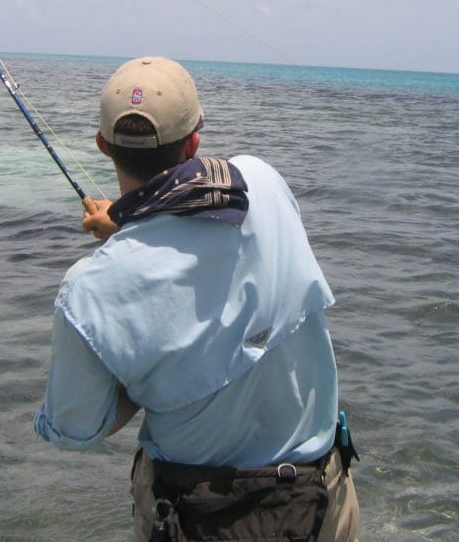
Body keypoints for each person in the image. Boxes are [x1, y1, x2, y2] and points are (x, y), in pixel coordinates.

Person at [33, 56, 359, 541]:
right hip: (319, 500)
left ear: (102, 146)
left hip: (193, 515)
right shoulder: (263, 182)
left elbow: (76, 429)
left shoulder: (89, 290)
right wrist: (130, 225)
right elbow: (212, 202)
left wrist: (143, 368)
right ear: (194, 140)